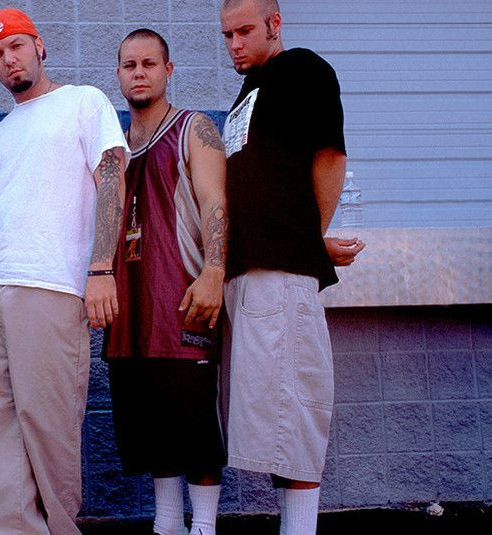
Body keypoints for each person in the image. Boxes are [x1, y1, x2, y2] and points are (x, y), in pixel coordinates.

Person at [0, 8, 129, 535]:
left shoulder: (84, 101)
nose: (8, 59)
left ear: (39, 46)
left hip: (49, 285)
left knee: (48, 425)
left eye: (16, 46)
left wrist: (100, 268)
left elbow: (112, 179)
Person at [219, 1, 365, 534]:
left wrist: (310, 239)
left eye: (245, 31)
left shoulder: (302, 68)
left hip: (280, 273)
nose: (235, 43)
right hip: (246, 273)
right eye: (227, 34)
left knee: (295, 412)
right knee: (271, 421)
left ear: (275, 24)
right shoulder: (247, 91)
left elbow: (329, 156)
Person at [107, 28, 229, 535]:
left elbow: (216, 201)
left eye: (149, 64)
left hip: (183, 299)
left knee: (194, 427)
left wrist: (214, 270)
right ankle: (167, 524)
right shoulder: (115, 146)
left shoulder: (193, 127)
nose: (139, 73)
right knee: (151, 432)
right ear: (118, 75)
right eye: (129, 65)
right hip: (130, 311)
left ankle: (204, 526)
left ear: (168, 70)